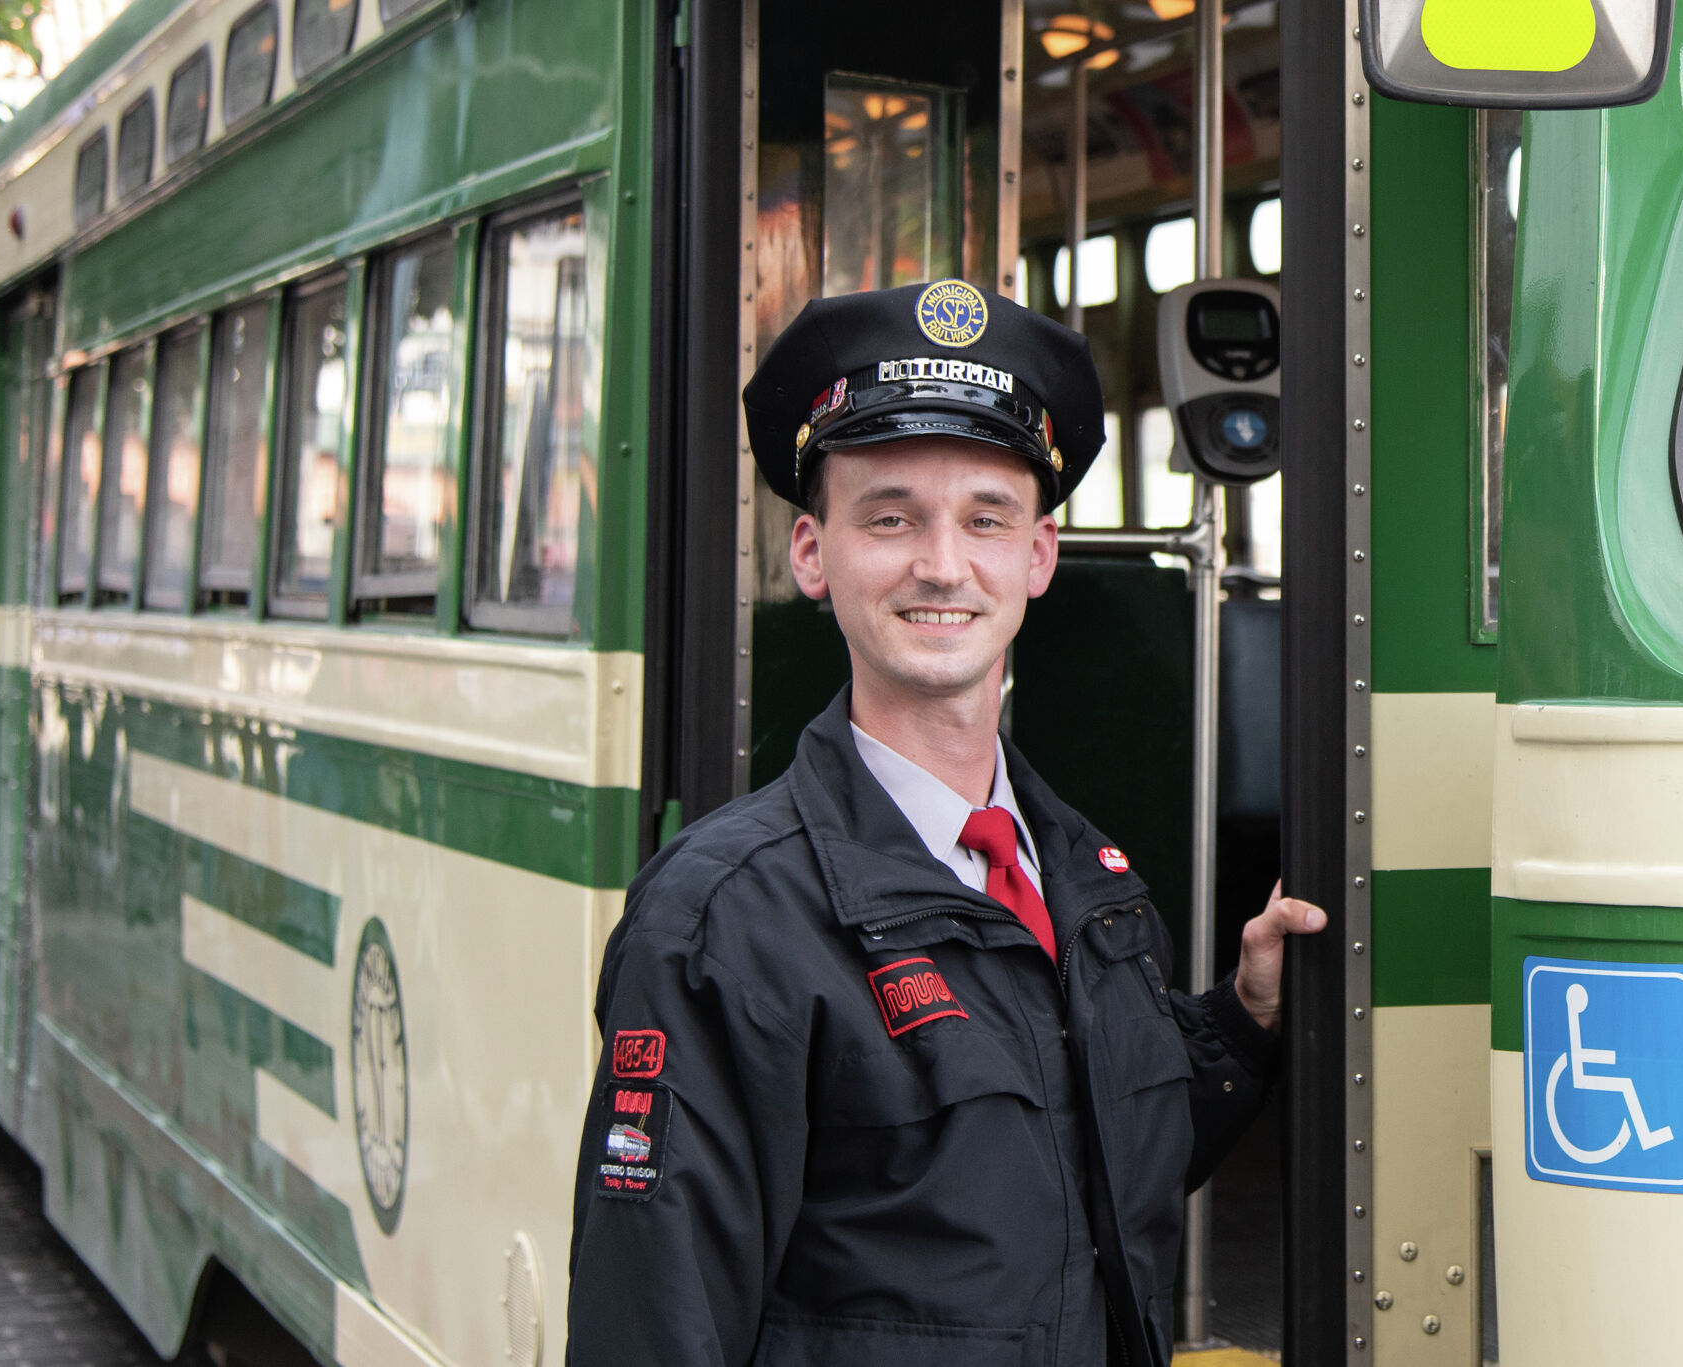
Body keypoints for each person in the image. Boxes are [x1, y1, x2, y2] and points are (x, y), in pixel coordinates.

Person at [566, 279, 1326, 1367]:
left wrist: (1243, 1020)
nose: (940, 563)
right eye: (889, 516)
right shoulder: (721, 921)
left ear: (1037, 557)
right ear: (811, 556)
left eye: (984, 518)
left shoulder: (1083, 877)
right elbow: (654, 1318)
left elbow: (1077, 1167)